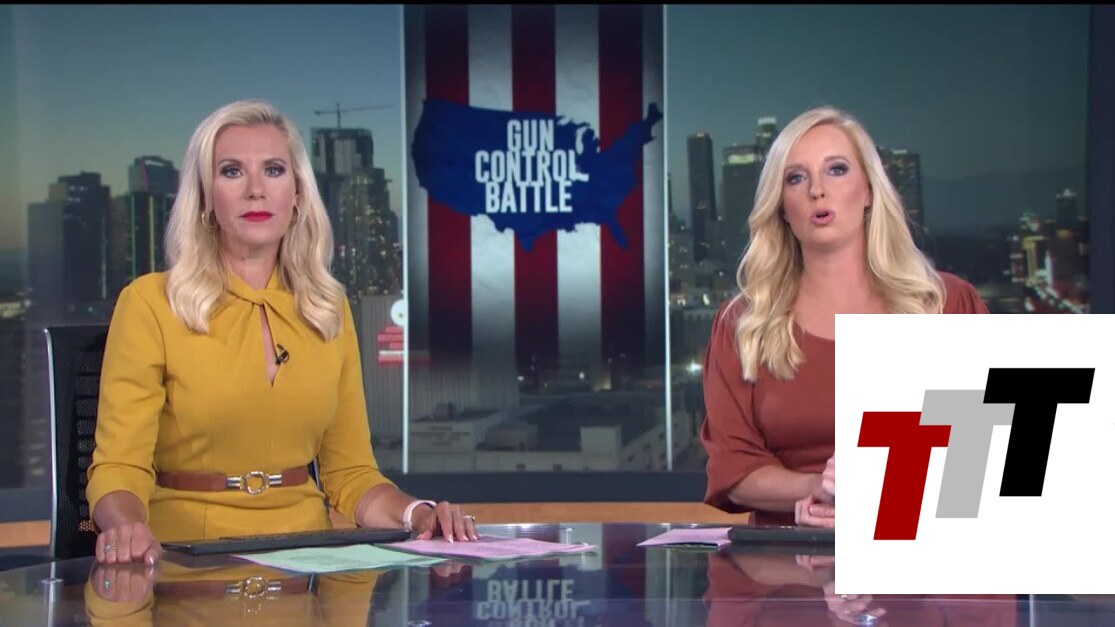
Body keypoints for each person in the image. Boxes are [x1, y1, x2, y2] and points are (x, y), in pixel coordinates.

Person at [86, 99, 478, 566]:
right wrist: (127, 526)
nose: (255, 190)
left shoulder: (326, 308)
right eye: (232, 171)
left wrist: (420, 514)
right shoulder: (151, 303)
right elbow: (119, 468)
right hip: (187, 560)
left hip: (309, 563)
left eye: (273, 170)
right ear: (205, 196)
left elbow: (351, 474)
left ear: (297, 194)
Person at [700, 105, 989, 529]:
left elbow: (987, 455)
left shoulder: (947, 303)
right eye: (796, 178)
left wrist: (879, 497)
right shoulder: (743, 323)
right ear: (781, 207)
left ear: (869, 191)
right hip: (788, 556)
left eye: (836, 170)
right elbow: (735, 470)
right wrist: (823, 488)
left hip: (924, 548)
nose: (817, 190)